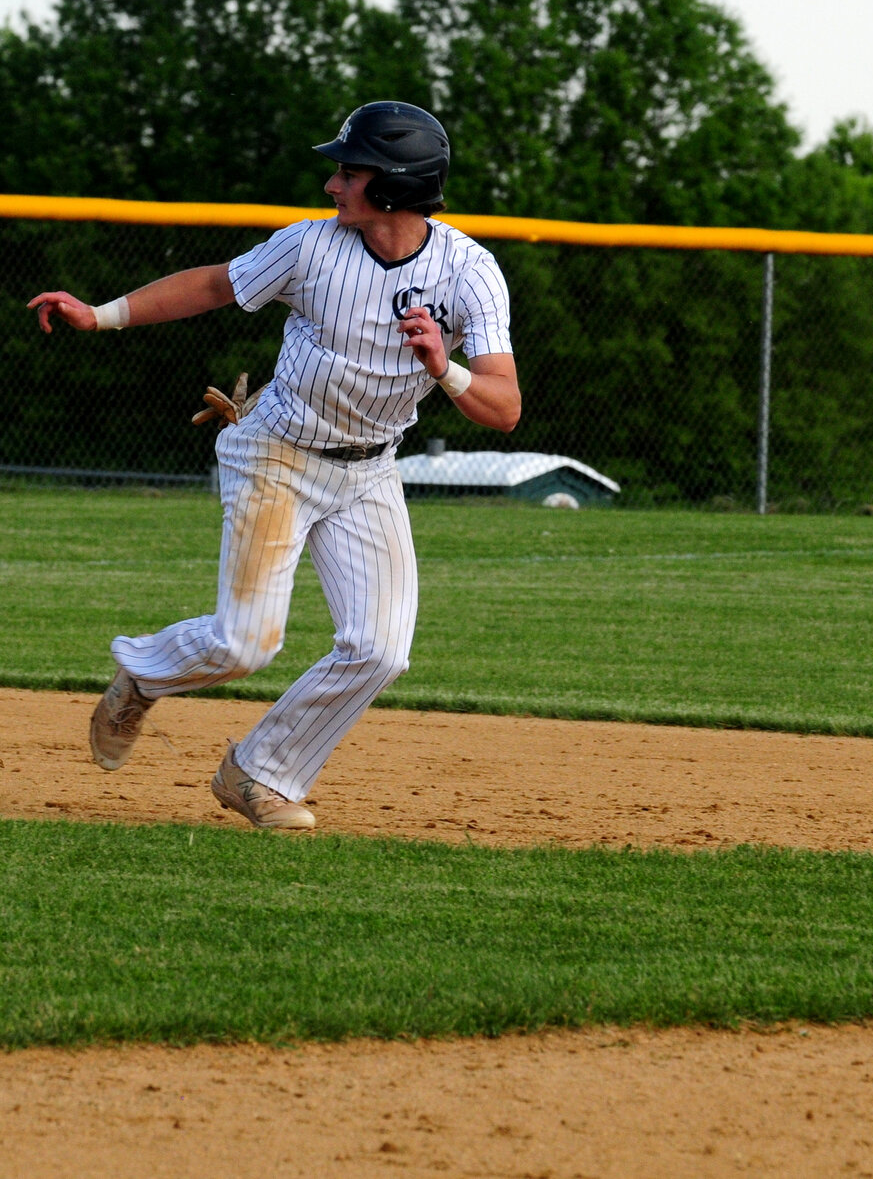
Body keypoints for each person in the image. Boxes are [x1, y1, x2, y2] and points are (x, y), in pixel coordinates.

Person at [27, 101, 520, 829]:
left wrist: (445, 370)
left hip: (369, 473)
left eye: (348, 172)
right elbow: (214, 285)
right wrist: (99, 315)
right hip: (279, 456)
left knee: (381, 650)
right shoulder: (311, 249)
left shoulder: (469, 271)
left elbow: (503, 405)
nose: (332, 186)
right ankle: (142, 674)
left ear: (391, 186)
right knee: (243, 643)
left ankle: (258, 774)